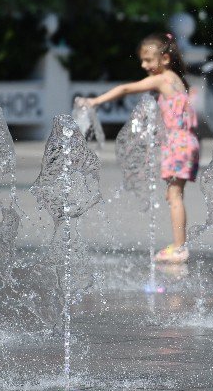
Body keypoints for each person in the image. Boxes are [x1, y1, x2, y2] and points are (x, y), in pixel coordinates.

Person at [80, 33, 200, 264]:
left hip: (178, 143)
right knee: (174, 194)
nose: (143, 65)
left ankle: (179, 248)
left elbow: (126, 89)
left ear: (165, 59)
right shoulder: (177, 79)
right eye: (142, 60)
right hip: (187, 142)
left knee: (174, 196)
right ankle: (178, 244)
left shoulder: (162, 79)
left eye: (148, 60)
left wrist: (94, 102)